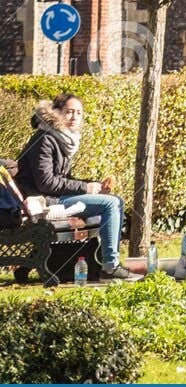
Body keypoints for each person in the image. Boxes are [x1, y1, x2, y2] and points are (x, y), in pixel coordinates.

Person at [15, 94, 133, 279]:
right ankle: (111, 266)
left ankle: (105, 263)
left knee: (115, 200)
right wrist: (84, 189)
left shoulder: (62, 139)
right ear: (57, 114)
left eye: (78, 113)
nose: (74, 117)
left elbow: (62, 179)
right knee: (111, 204)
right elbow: (46, 182)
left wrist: (91, 185)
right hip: (42, 200)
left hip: (53, 196)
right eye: (69, 112)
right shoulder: (45, 140)